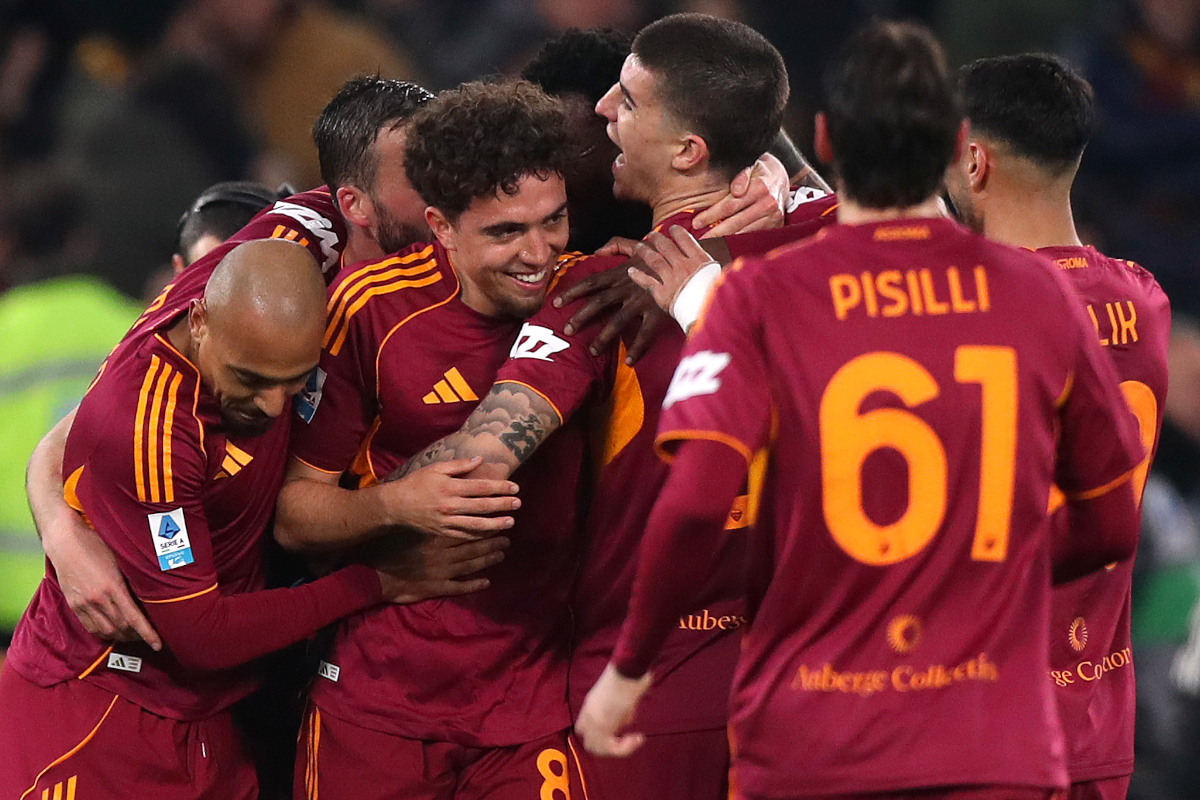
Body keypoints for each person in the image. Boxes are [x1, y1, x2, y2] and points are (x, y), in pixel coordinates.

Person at [576, 20, 1146, 800]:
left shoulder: (759, 297)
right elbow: (1112, 521)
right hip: (989, 734)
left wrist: (629, 668)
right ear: (953, 144)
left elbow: (693, 505)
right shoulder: (1033, 294)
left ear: (823, 138)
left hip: (815, 738)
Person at [393, 14, 791, 799]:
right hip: (799, 680)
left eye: (631, 102)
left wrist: (332, 510)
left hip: (644, 691)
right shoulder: (828, 238)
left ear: (687, 150)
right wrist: (773, 171)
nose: (607, 110)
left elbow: (481, 461)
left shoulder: (596, 292)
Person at [0, 238, 511, 799]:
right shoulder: (157, 431)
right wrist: (380, 580)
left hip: (219, 715)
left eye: (293, 383)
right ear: (198, 316)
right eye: (250, 379)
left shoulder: (299, 250)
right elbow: (202, 636)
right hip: (99, 704)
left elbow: (362, 183)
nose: (271, 405)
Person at [275, 80, 585, 800]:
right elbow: (295, 513)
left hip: (530, 701)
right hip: (379, 699)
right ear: (442, 225)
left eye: (556, 220)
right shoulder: (370, 312)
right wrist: (395, 506)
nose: (539, 252)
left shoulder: (591, 294)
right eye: (506, 232)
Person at [945, 53, 1172, 800]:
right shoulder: (1144, 300)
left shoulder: (968, 310)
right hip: (1098, 723)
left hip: (982, 727)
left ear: (974, 161)